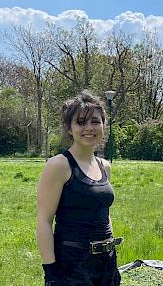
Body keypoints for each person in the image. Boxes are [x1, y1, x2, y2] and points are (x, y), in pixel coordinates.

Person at [36, 91, 122, 286]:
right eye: (81, 122)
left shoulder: (104, 166)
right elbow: (44, 220)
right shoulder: (59, 165)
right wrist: (51, 272)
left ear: (103, 125)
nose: (89, 128)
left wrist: (109, 253)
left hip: (106, 263)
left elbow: (103, 212)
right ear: (69, 128)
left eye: (95, 121)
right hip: (72, 266)